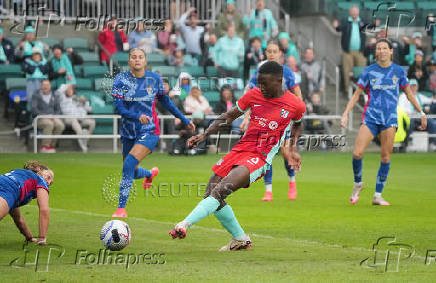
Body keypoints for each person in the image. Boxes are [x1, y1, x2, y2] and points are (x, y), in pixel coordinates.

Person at [169, 61, 306, 250]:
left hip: (260, 157)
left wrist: (292, 149)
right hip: (240, 149)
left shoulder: (295, 104)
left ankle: (184, 224)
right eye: (259, 83)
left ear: (279, 81)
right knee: (211, 191)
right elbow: (229, 116)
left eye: (265, 83)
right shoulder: (254, 95)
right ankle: (240, 238)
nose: (261, 87)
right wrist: (204, 134)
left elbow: (298, 124)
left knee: (220, 190)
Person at [341, 39, 427, 206]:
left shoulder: (399, 71)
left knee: (385, 156)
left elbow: (409, 94)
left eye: (384, 48)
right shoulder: (369, 71)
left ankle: (377, 195)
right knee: (357, 153)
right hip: (371, 117)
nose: (381, 51)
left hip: (389, 119)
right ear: (376, 52)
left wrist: (421, 112)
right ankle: (358, 183)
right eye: (378, 48)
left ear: (391, 51)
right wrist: (345, 113)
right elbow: (356, 94)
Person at [111, 48, 195, 218]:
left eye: (140, 57)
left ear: (145, 61)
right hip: (128, 131)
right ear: (129, 61)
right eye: (133, 57)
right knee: (131, 171)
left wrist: (185, 120)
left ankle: (121, 209)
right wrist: (136, 116)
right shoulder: (120, 80)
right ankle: (149, 174)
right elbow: (118, 107)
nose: (137, 60)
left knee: (128, 165)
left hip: (149, 131)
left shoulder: (154, 79)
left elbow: (167, 102)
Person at [242, 40, 303, 201]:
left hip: (283, 119)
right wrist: (246, 117)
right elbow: (252, 96)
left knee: (285, 152)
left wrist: (298, 109)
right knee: (266, 155)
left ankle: (292, 182)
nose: (271, 54)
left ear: (280, 54)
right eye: (269, 51)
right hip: (265, 119)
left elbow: (297, 91)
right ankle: (268, 191)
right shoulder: (260, 72)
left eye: (274, 51)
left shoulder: (287, 71)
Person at [0, 160, 54, 245]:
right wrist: (42, 238)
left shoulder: (19, 175)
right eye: (49, 177)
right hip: (9, 189)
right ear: (38, 169)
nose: (48, 182)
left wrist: (29, 237)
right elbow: (44, 210)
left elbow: (18, 218)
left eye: (51, 183)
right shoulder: (40, 180)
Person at [333, 5, 367, 93]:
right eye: (353, 11)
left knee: (361, 71)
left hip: (360, 52)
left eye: (356, 11)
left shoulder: (363, 21)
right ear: (350, 12)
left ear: (358, 12)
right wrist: (336, 26)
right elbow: (338, 29)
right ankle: (348, 90)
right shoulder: (345, 21)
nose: (354, 13)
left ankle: (361, 91)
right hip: (348, 51)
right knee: (347, 71)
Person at [58, 84, 95, 153]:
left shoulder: (77, 98)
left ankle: (85, 140)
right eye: (68, 89)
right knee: (74, 121)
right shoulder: (62, 98)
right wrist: (67, 85)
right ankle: (83, 144)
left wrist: (85, 103)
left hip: (79, 119)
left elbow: (89, 110)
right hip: (67, 119)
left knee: (92, 122)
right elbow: (59, 91)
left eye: (71, 89)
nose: (70, 90)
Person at [31, 79, 65, 153]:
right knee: (49, 124)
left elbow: (58, 109)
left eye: (47, 85)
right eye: (44, 85)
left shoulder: (55, 95)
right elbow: (34, 109)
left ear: (50, 86)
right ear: (41, 86)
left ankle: (51, 146)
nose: (45, 87)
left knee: (60, 125)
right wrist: (45, 116)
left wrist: (54, 116)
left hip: (52, 117)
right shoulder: (36, 95)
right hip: (39, 118)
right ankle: (44, 146)